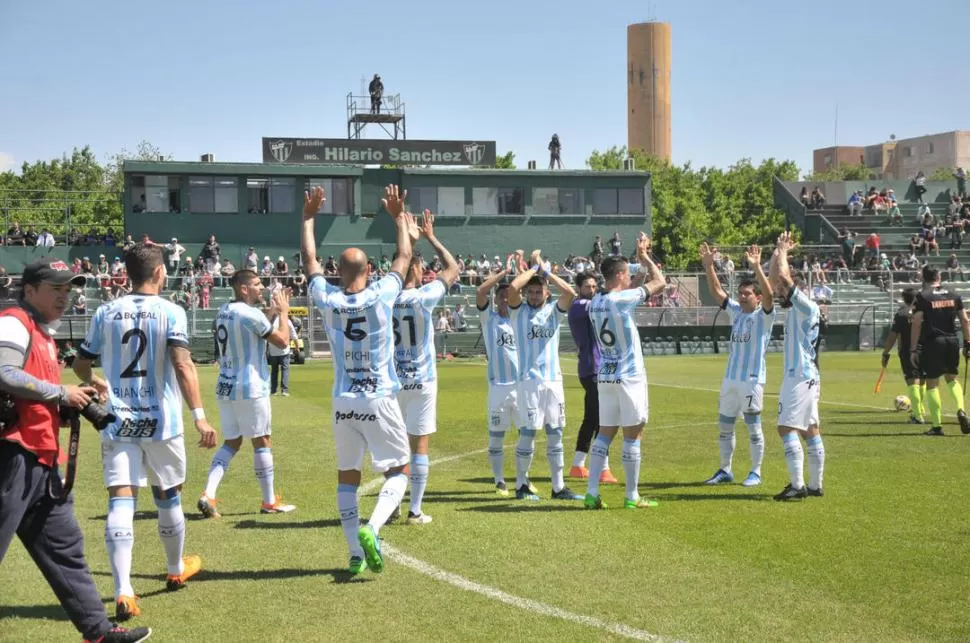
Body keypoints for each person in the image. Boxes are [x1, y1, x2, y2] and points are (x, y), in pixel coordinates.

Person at [0, 257, 151, 643]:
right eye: (56, 289)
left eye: (69, 290)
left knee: (64, 547)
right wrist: (60, 392)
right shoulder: (15, 321)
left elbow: (29, 394)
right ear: (30, 289)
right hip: (12, 457)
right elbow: (3, 371)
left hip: (39, 459)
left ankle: (98, 632)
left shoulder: (43, 333)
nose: (65, 297)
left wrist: (68, 404)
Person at [73, 243, 217, 622]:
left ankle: (123, 591)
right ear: (158, 274)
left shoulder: (106, 311)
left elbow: (81, 362)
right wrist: (200, 416)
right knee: (168, 497)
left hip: (119, 421)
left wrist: (95, 380)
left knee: (121, 501)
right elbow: (183, 364)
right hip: (162, 422)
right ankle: (174, 570)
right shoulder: (171, 311)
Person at [302, 184, 414, 575]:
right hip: (379, 397)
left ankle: (353, 553)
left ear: (338, 272)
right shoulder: (383, 293)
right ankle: (373, 527)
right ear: (369, 270)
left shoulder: (327, 300)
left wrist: (308, 217)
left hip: (343, 402)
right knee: (400, 471)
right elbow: (404, 256)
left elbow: (310, 262)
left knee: (348, 476)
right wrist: (399, 217)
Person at [197, 271, 297, 519]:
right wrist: (283, 312)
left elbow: (251, 326)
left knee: (232, 442)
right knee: (262, 440)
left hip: (226, 386)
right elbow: (283, 341)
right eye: (256, 284)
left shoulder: (224, 310)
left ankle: (208, 494)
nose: (261, 288)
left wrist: (271, 313)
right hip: (250, 387)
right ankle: (269, 501)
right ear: (243, 289)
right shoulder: (249, 314)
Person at [388, 210, 460, 525]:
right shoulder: (424, 297)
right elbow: (453, 268)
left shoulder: (383, 298)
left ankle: (389, 508)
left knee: (394, 448)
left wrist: (403, 233)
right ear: (416, 268)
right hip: (422, 379)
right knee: (420, 446)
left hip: (393, 382)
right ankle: (414, 510)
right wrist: (430, 236)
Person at [583, 235, 665, 509]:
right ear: (619, 275)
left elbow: (635, 290)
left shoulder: (595, 302)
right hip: (629, 375)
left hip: (605, 374)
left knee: (605, 433)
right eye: (628, 273)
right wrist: (645, 258)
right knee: (633, 434)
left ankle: (592, 493)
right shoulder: (621, 300)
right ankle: (632, 496)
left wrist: (638, 265)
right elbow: (660, 282)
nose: (631, 277)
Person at [506, 249, 582, 501]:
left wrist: (545, 270)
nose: (535, 295)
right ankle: (521, 485)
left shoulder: (553, 311)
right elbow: (512, 289)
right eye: (532, 291)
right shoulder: (519, 312)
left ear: (547, 293)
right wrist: (533, 268)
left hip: (554, 381)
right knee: (528, 433)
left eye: (540, 291)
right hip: (529, 382)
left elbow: (570, 293)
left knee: (556, 432)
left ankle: (558, 487)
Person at [699, 242, 774, 487]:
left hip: (752, 380)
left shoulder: (764, 316)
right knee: (724, 426)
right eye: (740, 294)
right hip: (730, 379)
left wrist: (756, 267)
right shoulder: (737, 312)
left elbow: (770, 295)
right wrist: (709, 265)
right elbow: (716, 290)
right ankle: (725, 469)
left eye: (747, 294)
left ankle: (756, 471)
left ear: (757, 297)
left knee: (753, 427)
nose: (741, 297)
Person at [768, 231, 825, 501]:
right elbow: (774, 280)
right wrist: (778, 253)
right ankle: (815, 485)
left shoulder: (806, 306)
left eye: (782, 290)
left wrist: (783, 251)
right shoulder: (798, 309)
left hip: (799, 376)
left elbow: (783, 278)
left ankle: (797, 485)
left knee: (786, 428)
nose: (778, 292)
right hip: (808, 375)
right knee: (810, 429)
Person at [566, 272, 618, 484]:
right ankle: (603, 469)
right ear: (578, 288)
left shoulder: (591, 304)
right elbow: (601, 305)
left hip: (597, 368)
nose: (593, 289)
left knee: (591, 419)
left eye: (595, 286)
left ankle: (578, 465)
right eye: (588, 286)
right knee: (604, 419)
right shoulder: (579, 305)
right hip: (592, 368)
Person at [475, 268, 522, 496]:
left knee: (527, 434)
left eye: (508, 295)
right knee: (496, 436)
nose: (505, 299)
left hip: (523, 387)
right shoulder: (489, 320)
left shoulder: (521, 319)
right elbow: (480, 290)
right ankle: (499, 480)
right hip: (498, 388)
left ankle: (523, 480)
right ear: (495, 299)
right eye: (501, 295)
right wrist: (504, 272)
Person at [909, 265, 970, 436]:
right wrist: (968, 343)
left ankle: (937, 426)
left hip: (933, 342)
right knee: (952, 379)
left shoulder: (923, 297)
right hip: (952, 341)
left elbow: (916, 322)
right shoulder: (954, 294)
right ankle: (961, 410)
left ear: (924, 279)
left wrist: (913, 349)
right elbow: (965, 321)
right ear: (939, 277)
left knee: (932, 383)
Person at [881, 288, 926, 424]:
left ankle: (917, 415)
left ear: (904, 299)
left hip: (908, 351)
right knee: (923, 380)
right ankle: (920, 409)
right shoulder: (924, 312)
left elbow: (893, 336)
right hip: (925, 350)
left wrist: (885, 352)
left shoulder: (901, 314)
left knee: (913, 381)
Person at [268, 308, 298, 396]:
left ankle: (273, 390)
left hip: (273, 350)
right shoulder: (287, 322)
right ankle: (284, 390)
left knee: (274, 371)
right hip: (284, 350)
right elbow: (294, 335)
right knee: (285, 370)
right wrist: (297, 347)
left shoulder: (272, 322)